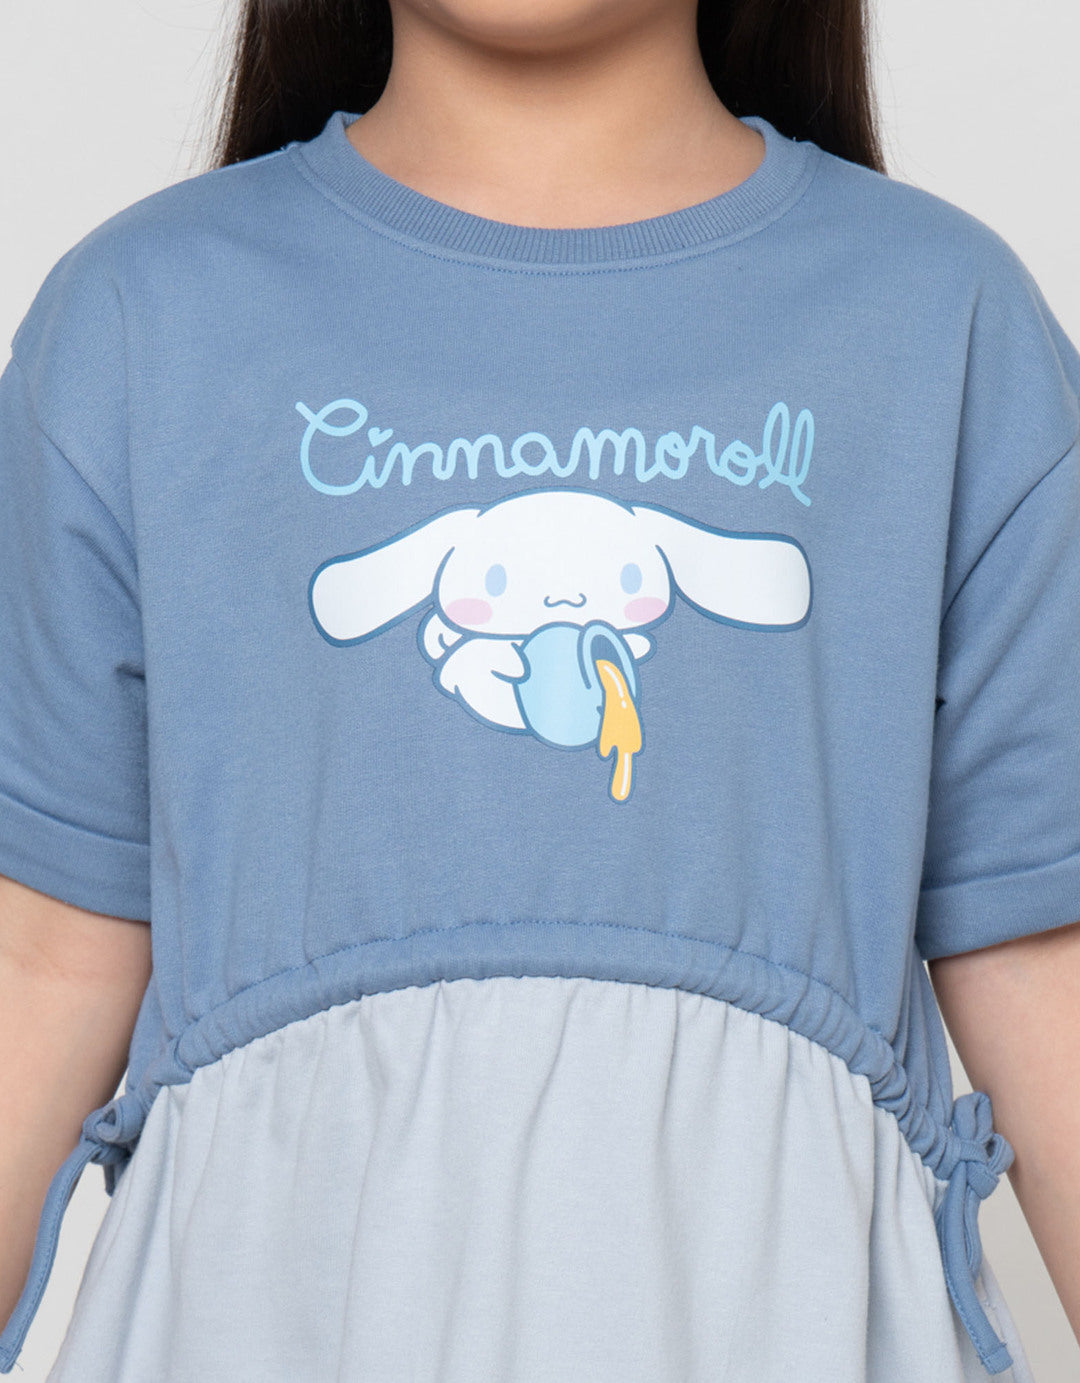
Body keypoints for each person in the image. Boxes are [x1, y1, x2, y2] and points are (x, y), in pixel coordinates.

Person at [1, 0, 1079, 1377]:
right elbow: (42, 964)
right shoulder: (143, 318)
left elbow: (1044, 964)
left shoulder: (941, 320)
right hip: (265, 1315)